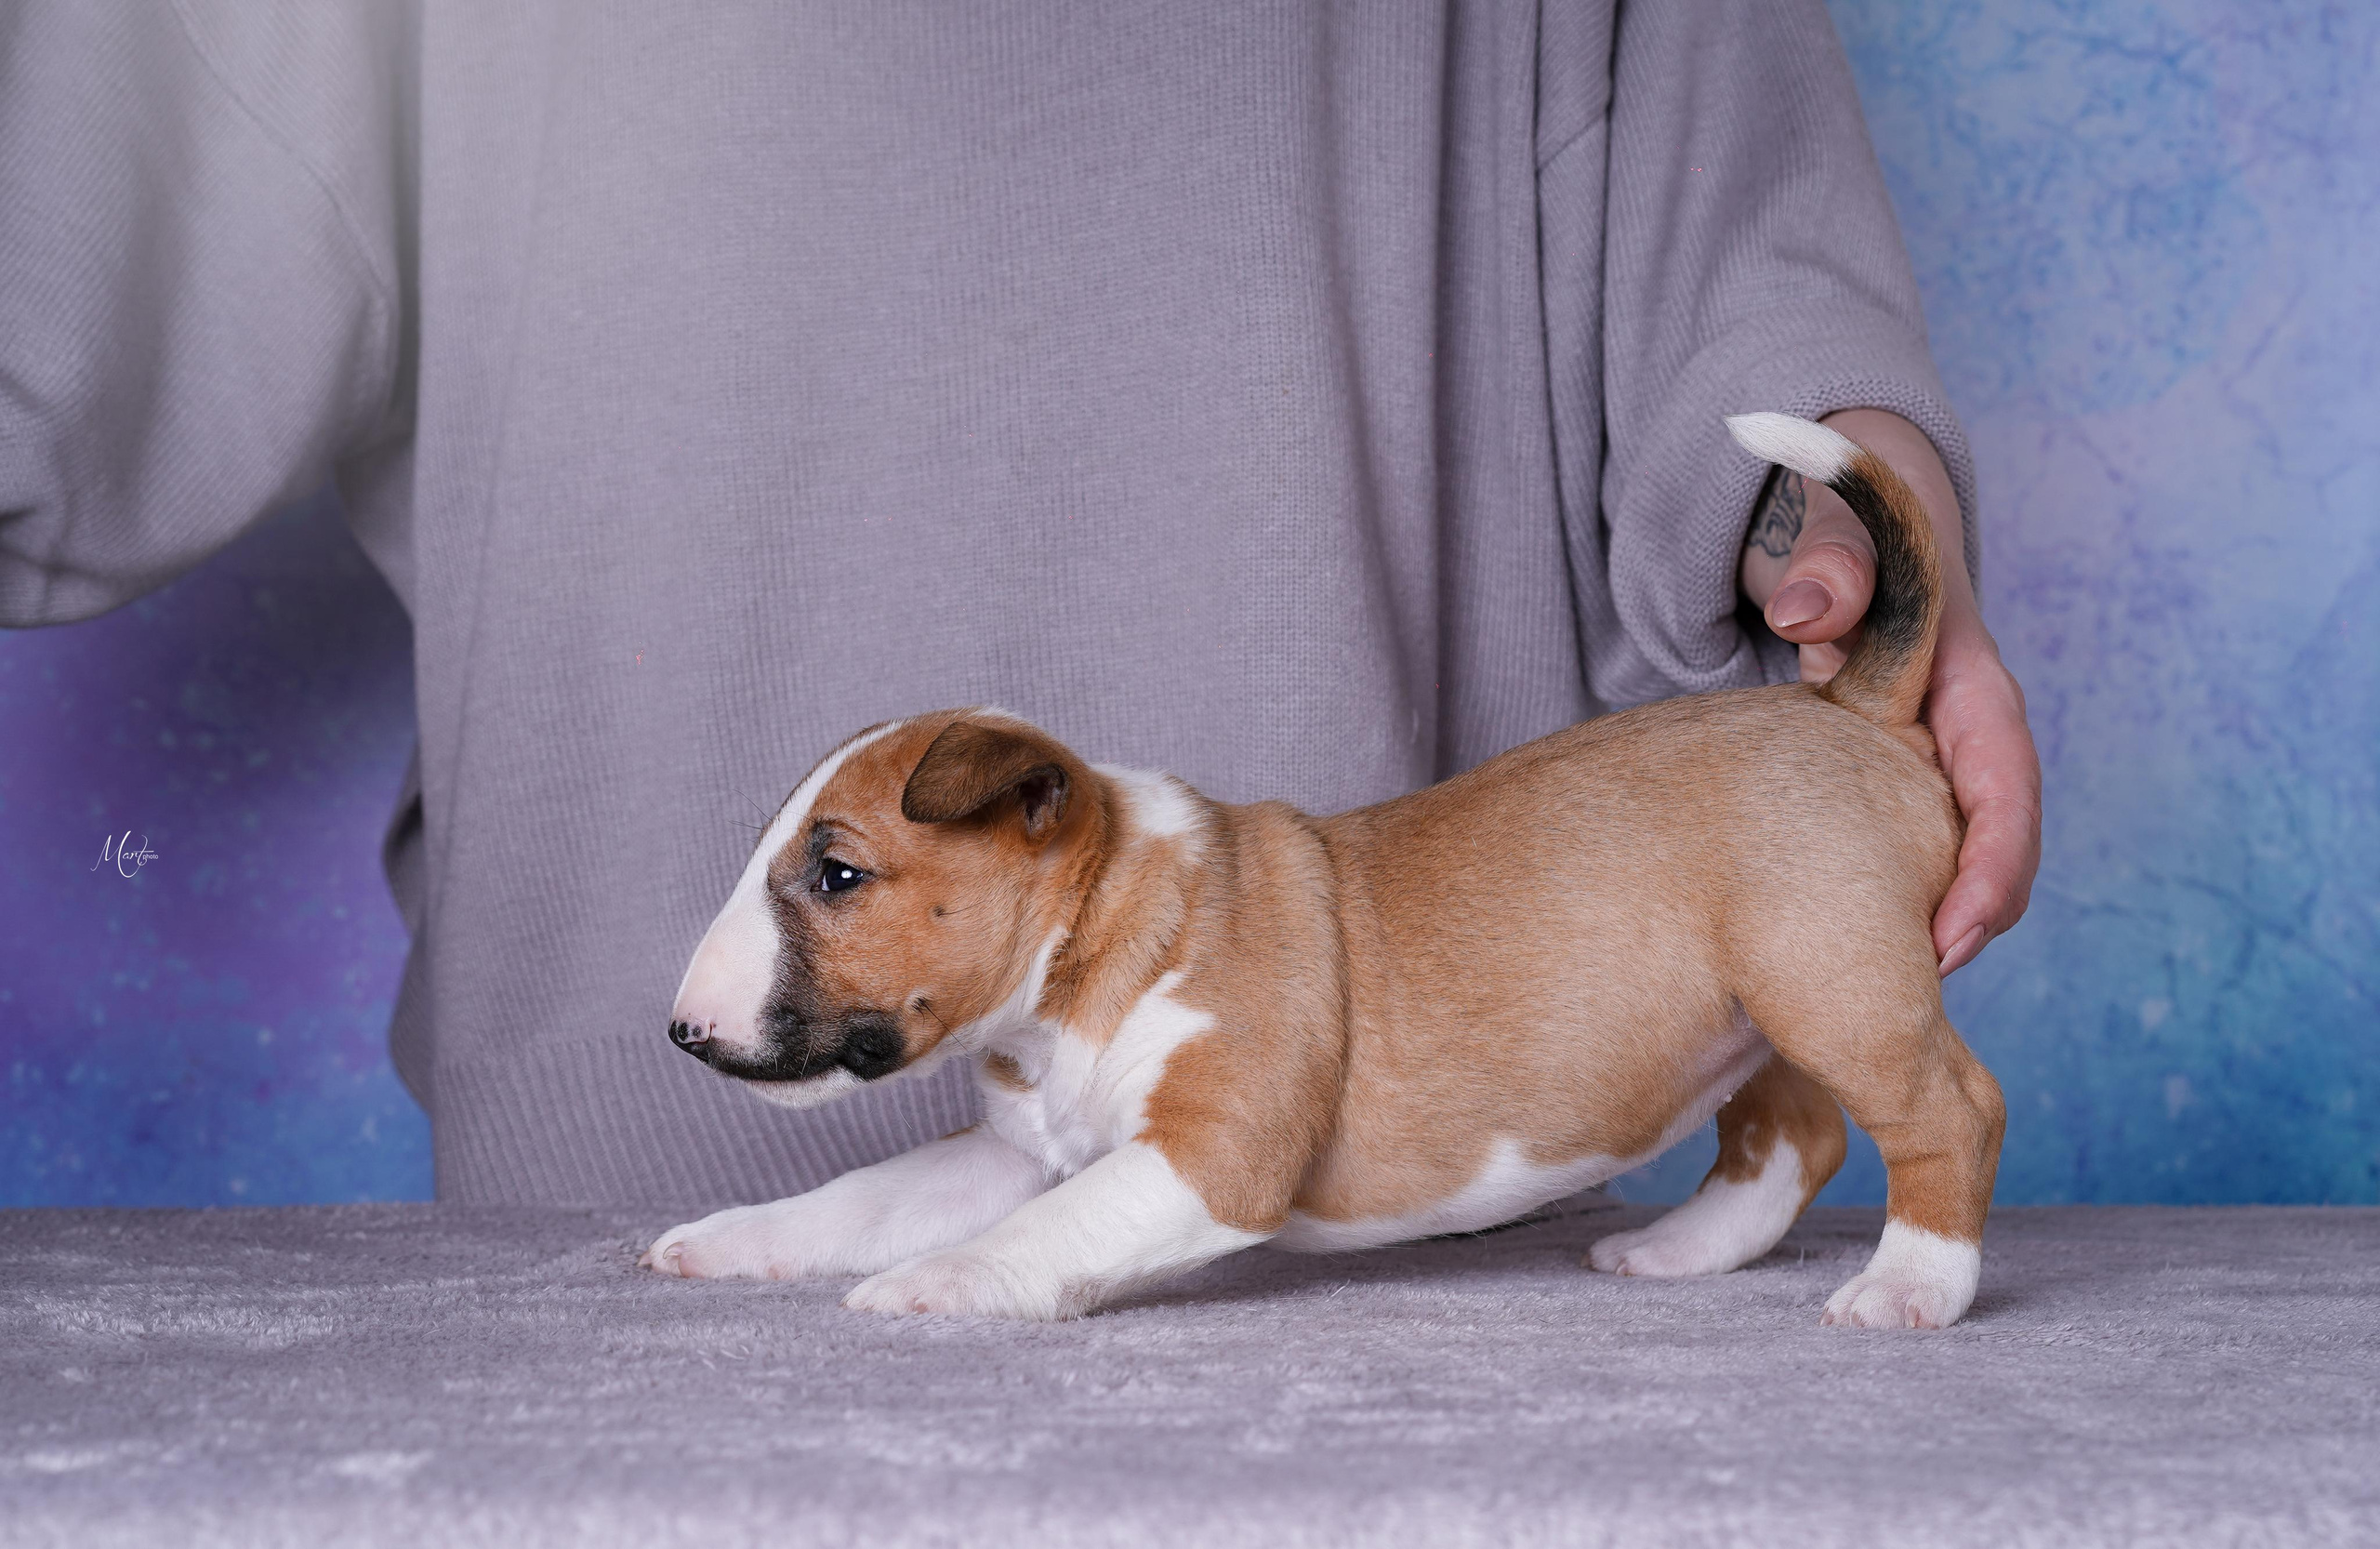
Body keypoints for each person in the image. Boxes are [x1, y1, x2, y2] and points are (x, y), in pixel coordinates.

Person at [0, 2, 2038, 1208]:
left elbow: (1733, 275)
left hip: (1391, 1215)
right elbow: (87, 273)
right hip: (632, 1244)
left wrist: (1839, 523)